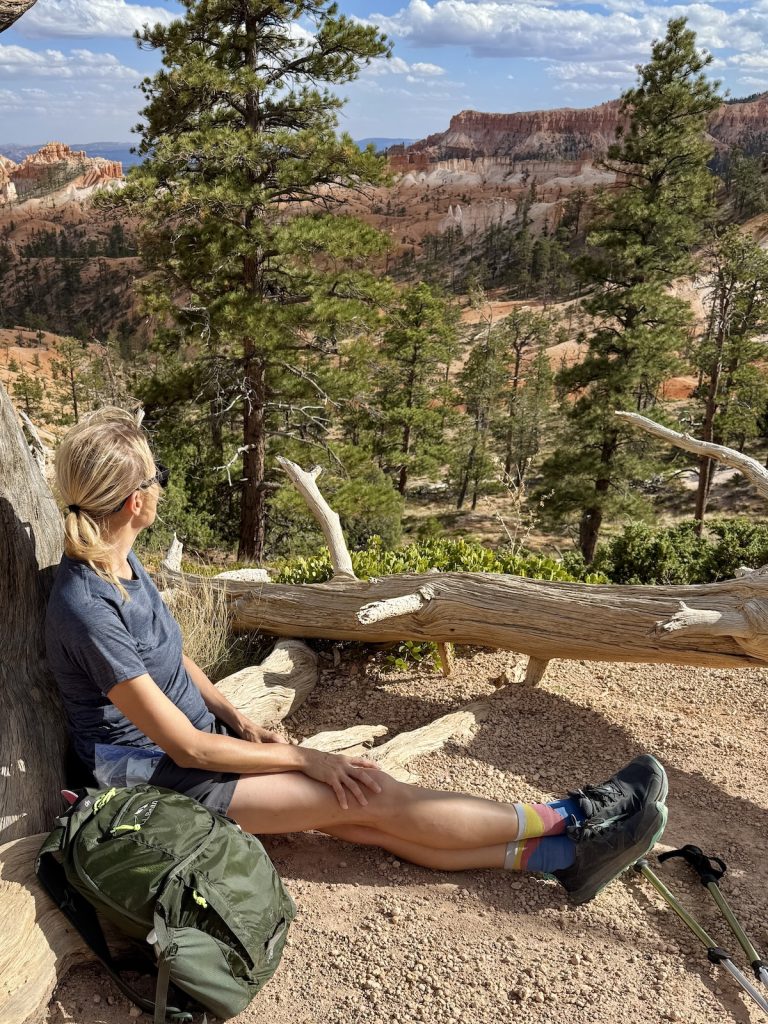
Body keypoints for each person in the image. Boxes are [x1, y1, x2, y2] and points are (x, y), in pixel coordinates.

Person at [45, 407, 668, 906]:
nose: (160, 486)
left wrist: (238, 718)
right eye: (154, 477)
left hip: (196, 749)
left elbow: (172, 661)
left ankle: (564, 857)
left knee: (358, 818)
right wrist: (306, 757)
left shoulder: (121, 560)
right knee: (368, 795)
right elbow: (187, 750)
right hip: (155, 781)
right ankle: (572, 815)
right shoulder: (88, 605)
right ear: (134, 503)